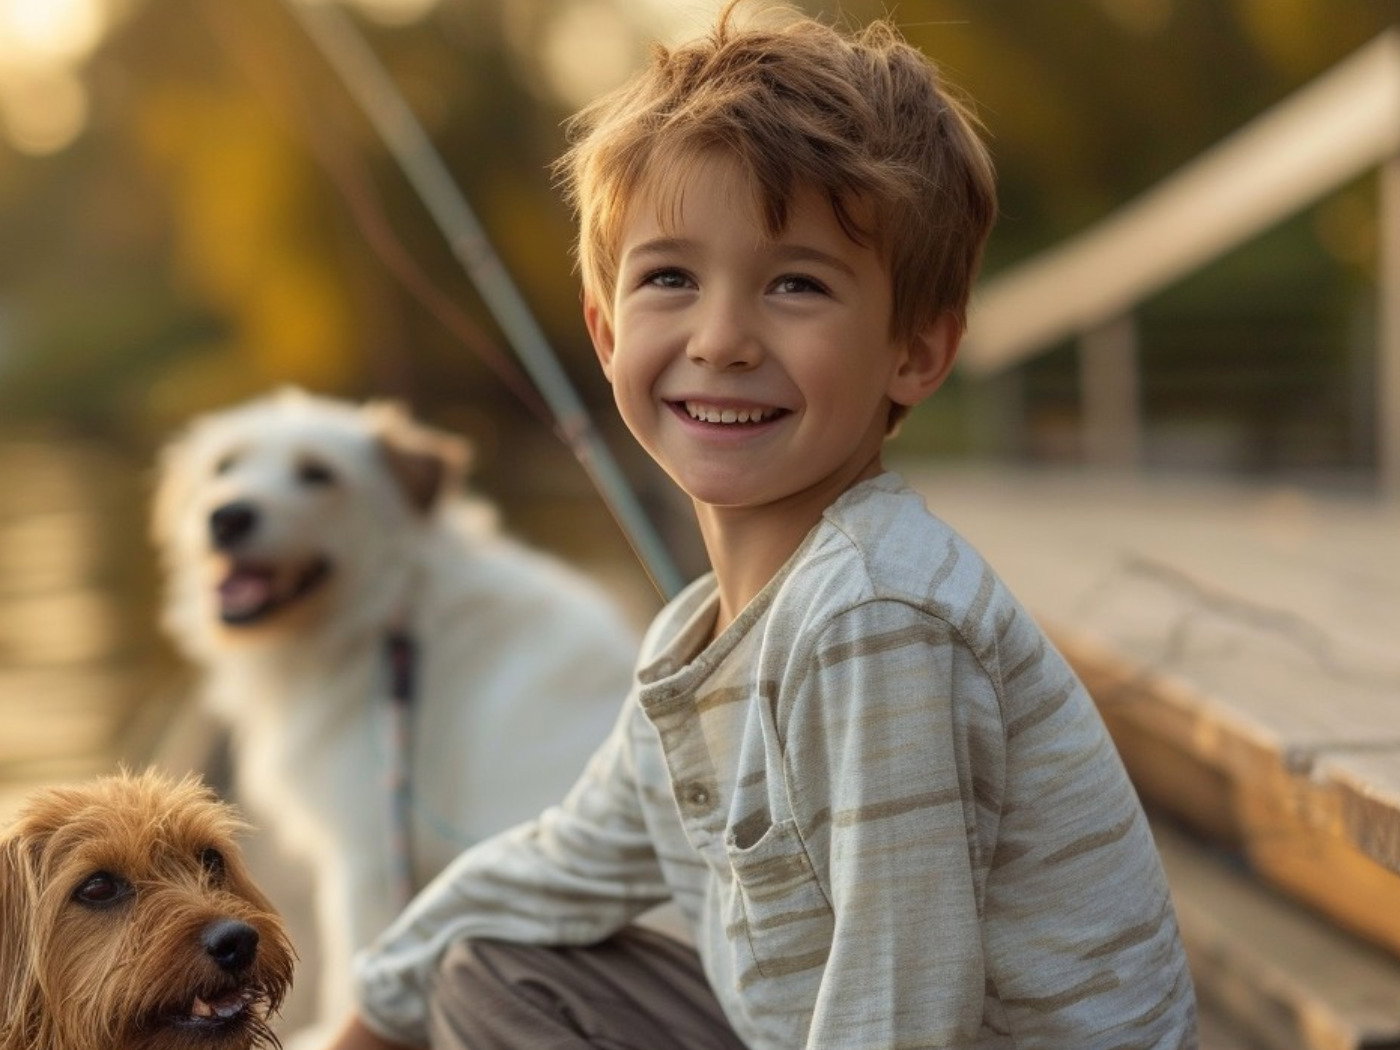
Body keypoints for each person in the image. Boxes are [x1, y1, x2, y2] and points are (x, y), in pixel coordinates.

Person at [324, 3, 1198, 1048]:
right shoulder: (696, 638)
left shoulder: (874, 618)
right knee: (497, 973)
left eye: (795, 283)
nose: (722, 337)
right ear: (606, 333)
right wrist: (367, 1019)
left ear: (913, 351)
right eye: (669, 278)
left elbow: (900, 1005)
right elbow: (555, 867)